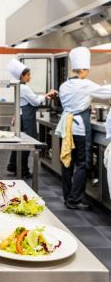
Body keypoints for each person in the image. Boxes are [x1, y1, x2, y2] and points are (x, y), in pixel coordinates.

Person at [55, 46, 111, 211]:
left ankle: (68, 197)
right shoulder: (84, 84)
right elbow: (105, 92)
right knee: (82, 163)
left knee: (67, 163)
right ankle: (75, 200)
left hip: (66, 127)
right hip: (79, 129)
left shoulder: (64, 85)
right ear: (85, 70)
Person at [6, 59, 58, 178]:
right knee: (27, 143)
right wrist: (47, 95)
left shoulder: (18, 86)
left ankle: (13, 165)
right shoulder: (24, 88)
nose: (30, 77)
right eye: (28, 75)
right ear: (21, 76)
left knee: (19, 142)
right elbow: (35, 101)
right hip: (26, 117)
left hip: (21, 115)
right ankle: (23, 170)